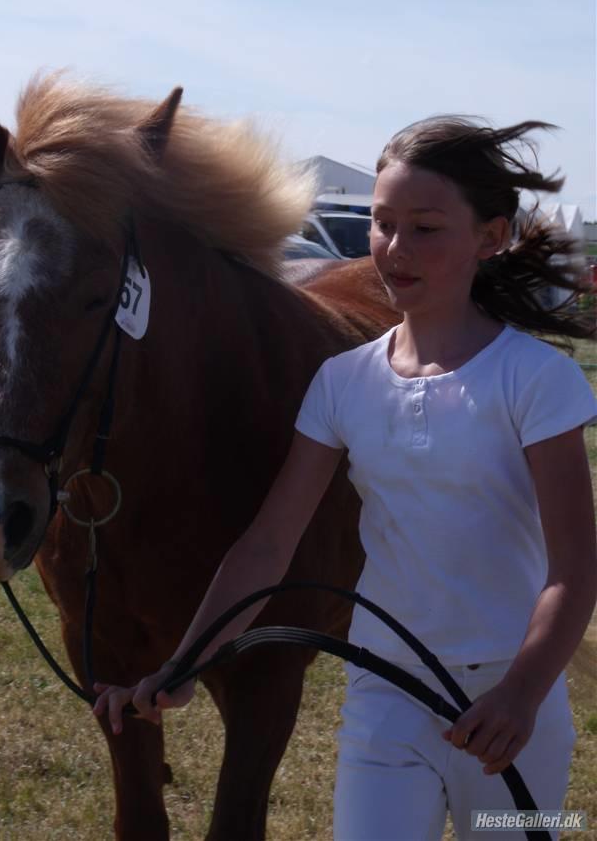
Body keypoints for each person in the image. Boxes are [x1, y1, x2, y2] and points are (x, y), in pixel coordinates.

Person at [93, 117, 597, 840]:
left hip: (510, 709)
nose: (395, 249)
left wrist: (521, 695)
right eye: (382, 225)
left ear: (489, 237)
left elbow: (574, 570)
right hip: (384, 695)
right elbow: (267, 546)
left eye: (424, 228)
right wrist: (180, 667)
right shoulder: (341, 383)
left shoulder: (536, 380)